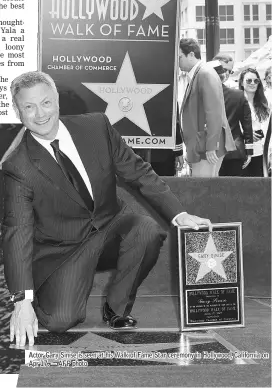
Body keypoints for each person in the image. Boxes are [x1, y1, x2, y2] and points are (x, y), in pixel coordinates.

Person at [1, 71, 212, 348]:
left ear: (57, 102)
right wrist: (22, 301)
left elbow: (138, 172)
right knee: (59, 322)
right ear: (18, 112)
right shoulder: (17, 166)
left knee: (146, 229)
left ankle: (117, 308)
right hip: (63, 249)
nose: (40, 114)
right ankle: (45, 289)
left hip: (109, 228)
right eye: (28, 107)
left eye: (46, 103)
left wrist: (179, 213)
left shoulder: (96, 126)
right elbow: (18, 233)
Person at [178, 38, 235, 177]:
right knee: (205, 192)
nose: (177, 61)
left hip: (206, 148)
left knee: (203, 193)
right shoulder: (201, 73)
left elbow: (214, 113)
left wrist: (211, 147)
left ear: (191, 54)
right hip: (203, 146)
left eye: (179, 57)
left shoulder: (205, 74)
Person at [210, 60, 254, 177]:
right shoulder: (238, 95)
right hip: (234, 150)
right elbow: (247, 125)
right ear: (223, 77)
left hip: (210, 151)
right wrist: (249, 151)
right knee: (235, 190)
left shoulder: (201, 97)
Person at [238, 68, 270, 177]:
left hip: (261, 152)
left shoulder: (263, 102)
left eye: (256, 81)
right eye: (248, 80)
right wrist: (247, 133)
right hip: (243, 152)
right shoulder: (237, 101)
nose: (252, 83)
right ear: (242, 83)